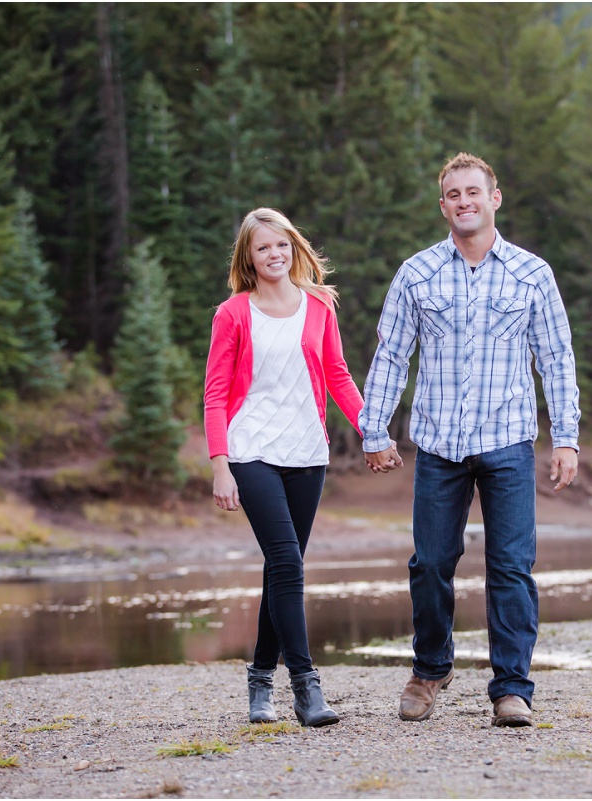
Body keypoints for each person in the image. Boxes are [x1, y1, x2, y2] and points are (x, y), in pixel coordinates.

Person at [358, 152, 581, 728]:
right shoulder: (416, 274)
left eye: (473, 192)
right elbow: (391, 355)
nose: (464, 202)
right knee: (431, 562)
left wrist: (567, 438)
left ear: (494, 198)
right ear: (443, 206)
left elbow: (556, 359)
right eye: (453, 194)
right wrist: (373, 429)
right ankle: (430, 669)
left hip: (508, 441)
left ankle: (512, 688)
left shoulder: (533, 274)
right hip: (438, 442)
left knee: (511, 565)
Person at [204, 207, 373, 727]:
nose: (274, 254)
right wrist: (220, 465)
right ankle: (306, 686)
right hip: (251, 449)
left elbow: (338, 376)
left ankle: (259, 681)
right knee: (288, 565)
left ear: (294, 247)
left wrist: (374, 431)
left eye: (282, 245)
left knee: (283, 570)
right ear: (248, 259)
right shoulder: (232, 313)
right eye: (263, 248)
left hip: (307, 452)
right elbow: (213, 395)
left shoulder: (319, 304)